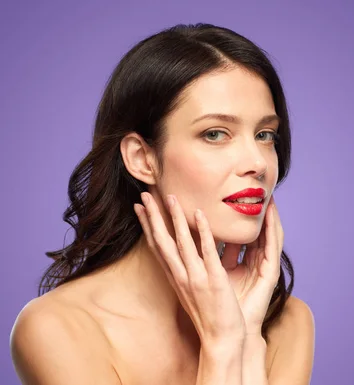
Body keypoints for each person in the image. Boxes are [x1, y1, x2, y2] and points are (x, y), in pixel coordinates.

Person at [9, 23, 315, 385]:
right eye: (215, 133)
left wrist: (246, 333)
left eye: (265, 135)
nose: (259, 163)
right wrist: (223, 345)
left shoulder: (287, 322)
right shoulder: (60, 329)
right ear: (143, 159)